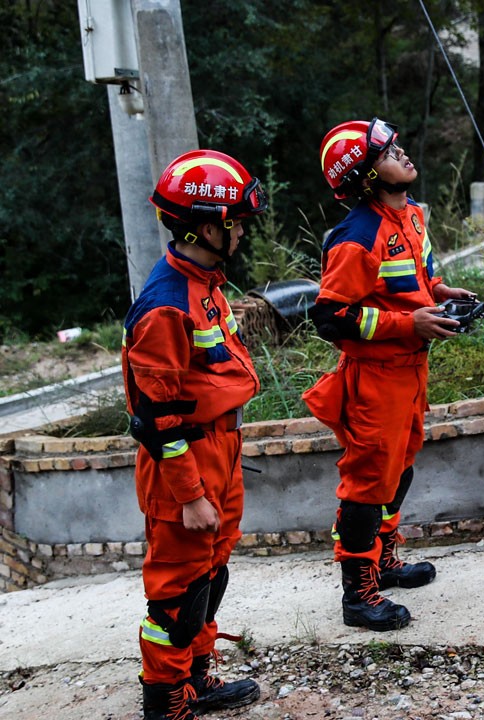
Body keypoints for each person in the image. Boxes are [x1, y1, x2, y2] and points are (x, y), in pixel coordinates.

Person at [305, 117, 475, 631]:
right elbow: (329, 317)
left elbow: (415, 276)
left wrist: (438, 294)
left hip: (410, 371)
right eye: (386, 151)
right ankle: (358, 595)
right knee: (366, 484)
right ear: (365, 177)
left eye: (396, 144)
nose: (400, 154)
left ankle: (382, 561)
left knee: (399, 472)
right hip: (375, 379)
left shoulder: (412, 216)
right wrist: (410, 322)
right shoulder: (356, 237)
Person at [123, 149, 268, 719]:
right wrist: (189, 495)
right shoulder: (164, 307)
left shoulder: (206, 283)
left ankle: (195, 678)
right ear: (208, 227)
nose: (241, 236)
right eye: (236, 225)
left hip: (221, 453)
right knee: (176, 595)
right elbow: (157, 420)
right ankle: (164, 701)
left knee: (212, 574)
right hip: (186, 463)